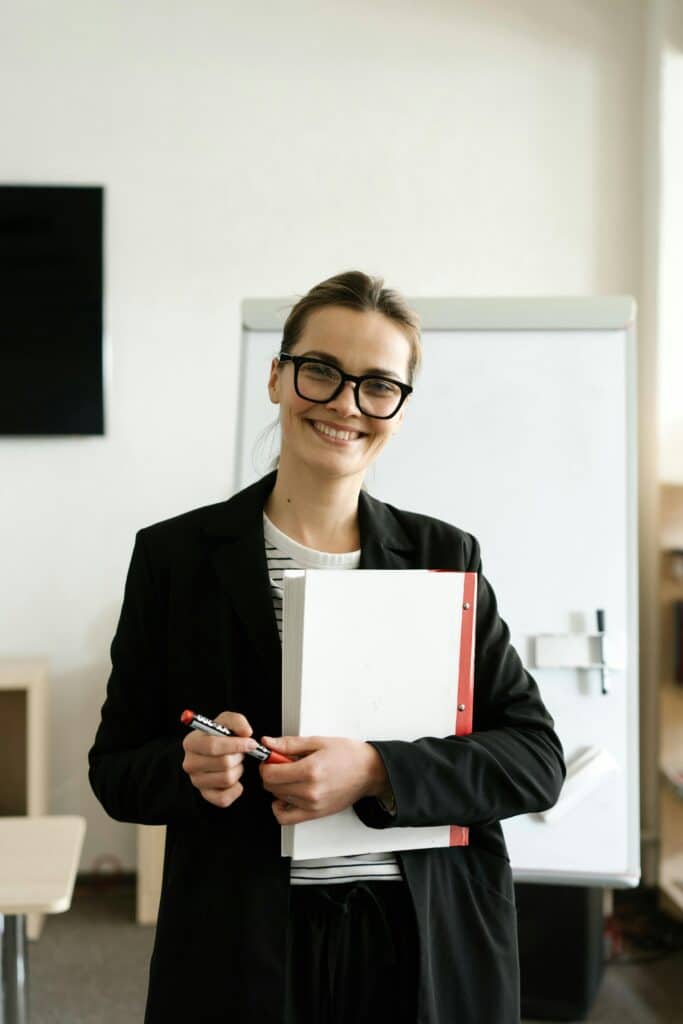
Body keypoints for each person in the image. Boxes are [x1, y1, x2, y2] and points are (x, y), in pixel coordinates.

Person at [88, 270, 565, 1024]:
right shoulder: (175, 557)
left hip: (422, 938)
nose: (345, 403)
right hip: (241, 940)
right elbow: (116, 772)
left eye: (377, 385)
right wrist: (190, 767)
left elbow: (534, 762)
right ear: (278, 377)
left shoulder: (444, 556)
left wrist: (377, 769)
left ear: (399, 411)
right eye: (320, 371)